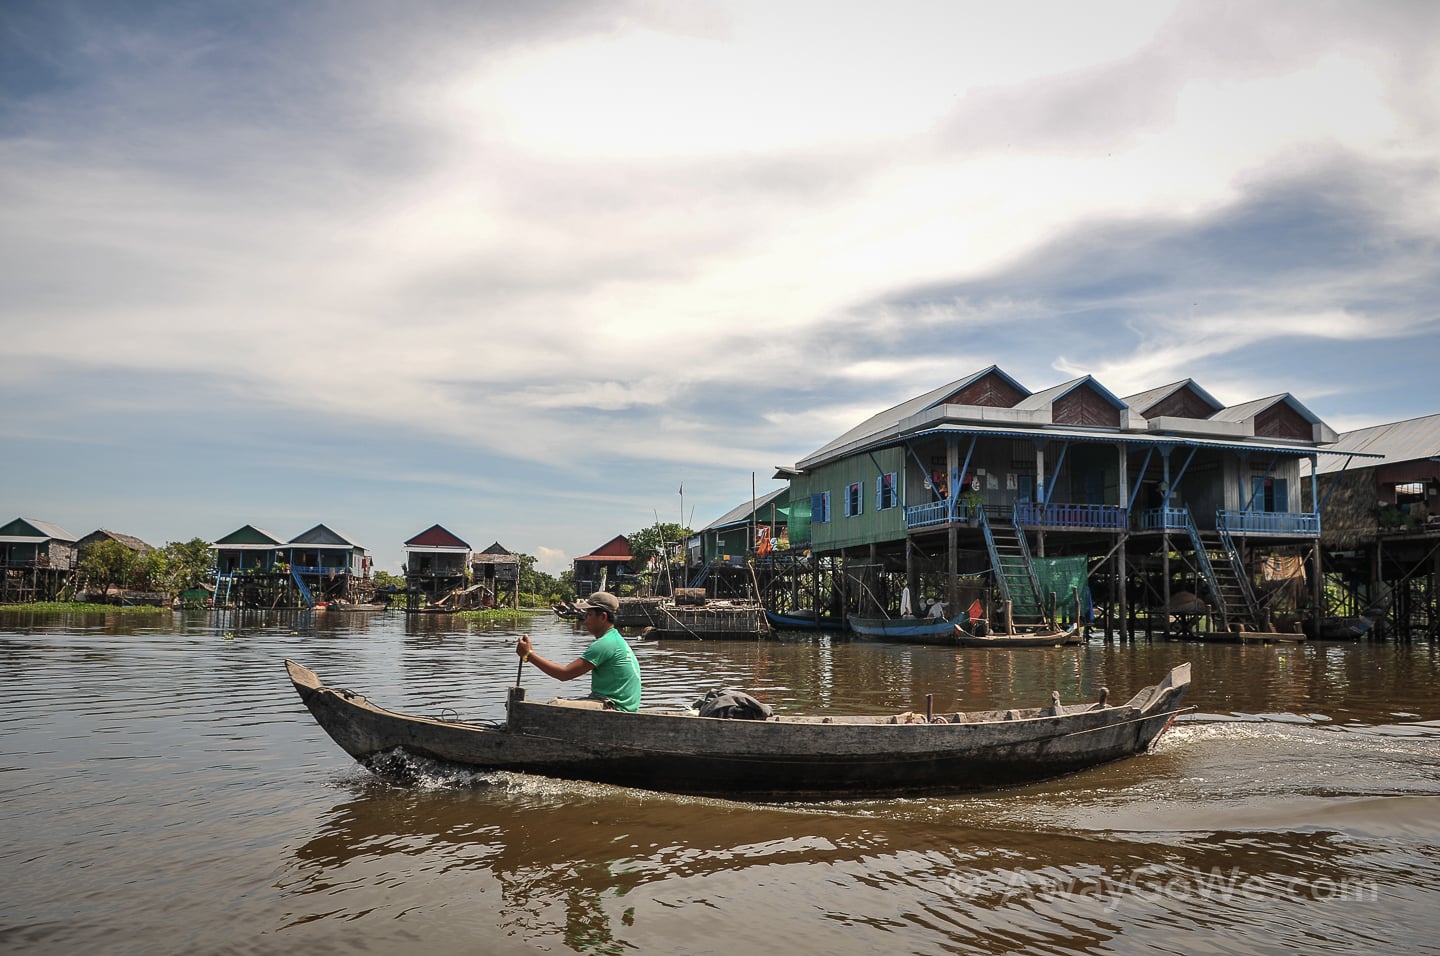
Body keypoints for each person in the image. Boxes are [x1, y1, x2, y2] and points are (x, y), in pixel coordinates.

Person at [515, 591, 642, 712]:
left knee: (555, 705)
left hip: (615, 707)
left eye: (589, 615)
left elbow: (564, 674)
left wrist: (529, 655)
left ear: (603, 617)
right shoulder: (614, 639)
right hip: (616, 704)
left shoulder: (605, 643)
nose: (585, 620)